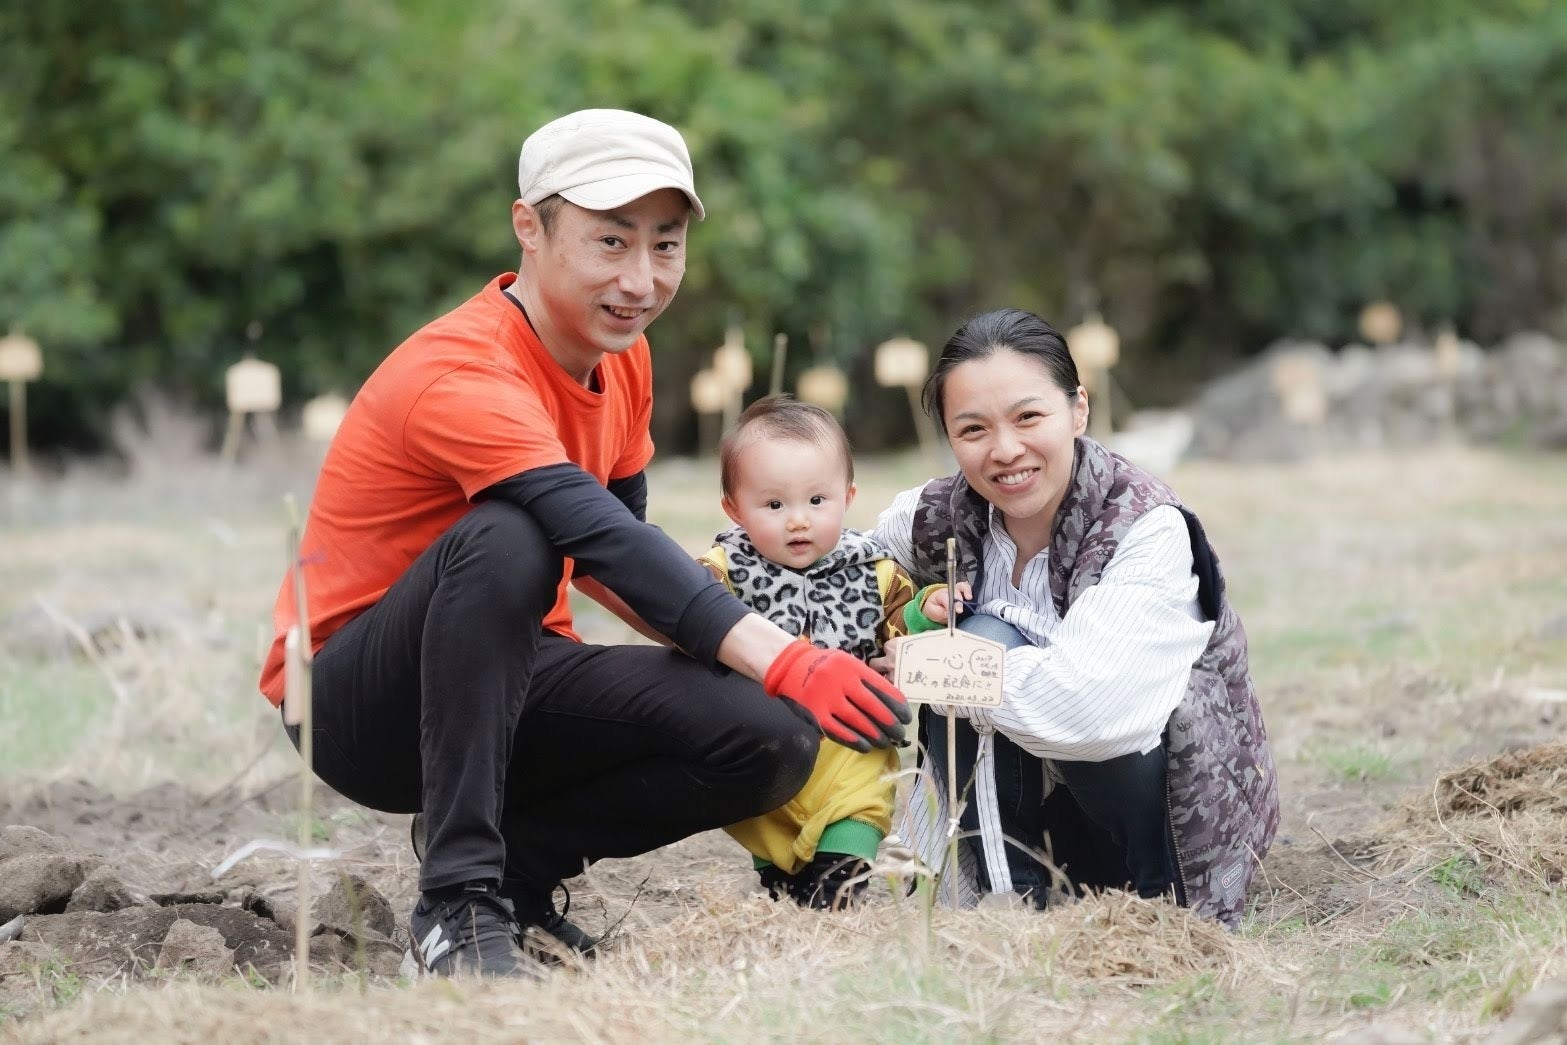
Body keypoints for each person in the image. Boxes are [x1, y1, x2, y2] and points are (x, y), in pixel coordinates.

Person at [258, 109, 910, 979]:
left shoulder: (623, 356)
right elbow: (590, 531)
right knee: (511, 533)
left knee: (769, 732)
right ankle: (457, 899)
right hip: (353, 704)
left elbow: (626, 556)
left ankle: (516, 878)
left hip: (513, 674)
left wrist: (784, 668)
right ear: (529, 227)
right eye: (610, 241)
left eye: (665, 245)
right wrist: (786, 656)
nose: (640, 279)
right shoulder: (459, 367)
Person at [870, 308, 1279, 928]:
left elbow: (1093, 709)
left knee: (977, 647)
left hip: (1157, 829)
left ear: (1078, 409)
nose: (1005, 450)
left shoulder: (1145, 527)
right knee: (977, 643)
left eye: (1028, 417)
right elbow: (844, 574)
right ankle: (1008, 903)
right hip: (1036, 830)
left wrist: (935, 665)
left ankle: (1145, 903)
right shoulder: (938, 516)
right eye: (973, 428)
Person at [696, 395, 947, 909]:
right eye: (774, 505)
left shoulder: (872, 570)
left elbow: (896, 628)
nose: (798, 521)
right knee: (765, 814)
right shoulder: (723, 571)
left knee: (860, 804)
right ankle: (779, 878)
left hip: (851, 736)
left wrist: (926, 611)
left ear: (847, 496)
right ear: (734, 508)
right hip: (765, 734)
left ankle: (840, 883)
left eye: (816, 500)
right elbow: (690, 616)